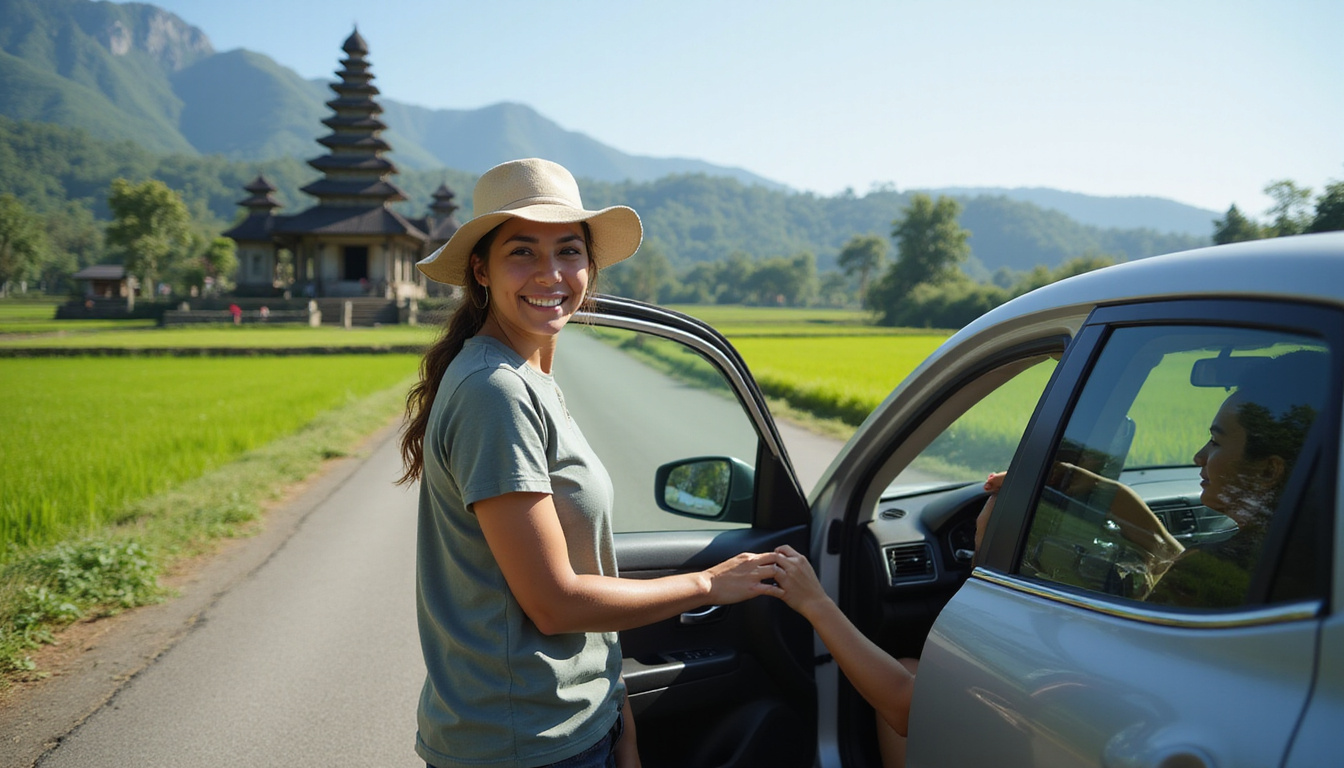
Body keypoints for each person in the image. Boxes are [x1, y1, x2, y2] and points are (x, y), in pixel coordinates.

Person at [397, 158, 781, 768]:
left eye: (568, 251)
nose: (550, 274)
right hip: (524, 742)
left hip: (566, 724)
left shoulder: (529, 378)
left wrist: (615, 710)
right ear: (481, 269)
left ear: (589, 265)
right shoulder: (495, 391)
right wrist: (709, 584)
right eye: (522, 252)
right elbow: (555, 601)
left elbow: (579, 572)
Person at [771, 349, 1328, 768]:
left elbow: (903, 706)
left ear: (1271, 469)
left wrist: (818, 602)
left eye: (1217, 440)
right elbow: (1180, 565)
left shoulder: (1221, 572)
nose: (1198, 455)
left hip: (1124, 727)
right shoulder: (1292, 554)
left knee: (921, 680)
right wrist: (1102, 492)